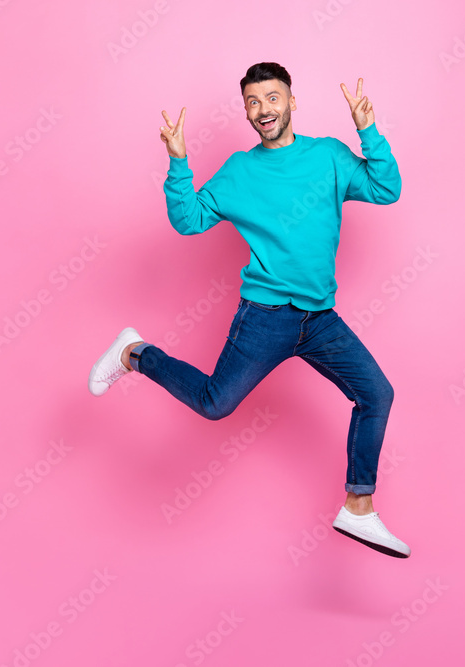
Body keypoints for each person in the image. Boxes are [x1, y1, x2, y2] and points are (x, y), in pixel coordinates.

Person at [88, 62, 409, 558]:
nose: (263, 109)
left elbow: (386, 189)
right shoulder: (240, 170)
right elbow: (189, 220)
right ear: (246, 112)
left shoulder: (327, 155)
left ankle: (358, 507)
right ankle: (135, 352)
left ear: (292, 102)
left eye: (272, 98)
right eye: (253, 102)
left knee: (377, 394)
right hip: (266, 316)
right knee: (215, 405)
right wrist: (178, 161)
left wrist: (368, 130)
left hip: (320, 319)